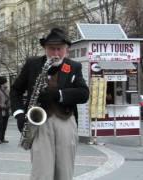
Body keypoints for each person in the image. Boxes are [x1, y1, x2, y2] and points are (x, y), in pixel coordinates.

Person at [10, 27, 89, 180]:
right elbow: (15, 91)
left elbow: (84, 94)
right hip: (39, 125)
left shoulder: (73, 67)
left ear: (66, 49)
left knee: (64, 172)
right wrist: (19, 115)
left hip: (65, 122)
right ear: (45, 48)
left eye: (59, 49)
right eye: (51, 49)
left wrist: (59, 95)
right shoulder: (32, 65)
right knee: (42, 173)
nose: (55, 53)